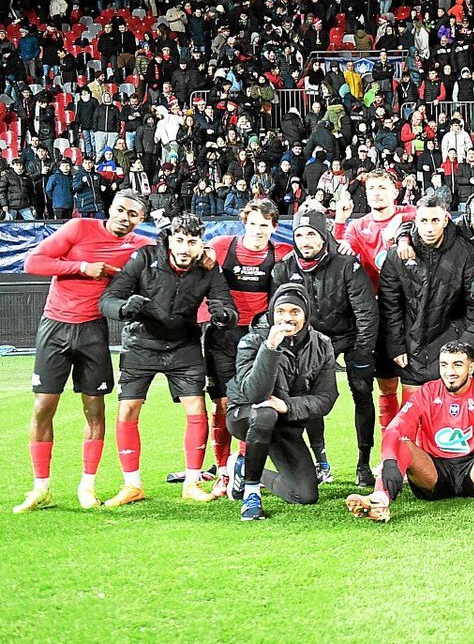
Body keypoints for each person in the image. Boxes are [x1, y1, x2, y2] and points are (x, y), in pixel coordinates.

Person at [14, 190, 152, 513]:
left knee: (95, 409)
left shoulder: (140, 249)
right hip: (55, 326)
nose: (124, 217)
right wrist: (82, 267)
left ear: (140, 220)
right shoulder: (79, 228)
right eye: (120, 210)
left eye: (132, 215)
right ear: (111, 208)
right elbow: (32, 262)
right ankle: (41, 488)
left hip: (93, 330)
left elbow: (173, 255)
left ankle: (86, 486)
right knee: (43, 407)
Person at [99, 213, 238, 506]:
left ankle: (191, 482)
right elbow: (108, 300)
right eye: (179, 240)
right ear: (169, 239)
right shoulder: (144, 257)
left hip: (184, 346)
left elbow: (226, 304)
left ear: (202, 243)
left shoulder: (209, 269)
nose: (185, 248)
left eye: (192, 241)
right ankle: (132, 485)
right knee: (127, 411)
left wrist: (223, 314)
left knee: (196, 410)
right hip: (140, 344)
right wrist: (125, 308)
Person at [187, 198, 291, 495]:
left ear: (274, 227)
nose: (258, 231)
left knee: (253, 402)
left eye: (265, 225)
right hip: (223, 335)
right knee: (221, 403)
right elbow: (190, 253)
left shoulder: (281, 253)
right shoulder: (220, 246)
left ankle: (242, 464)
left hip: (259, 337)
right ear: (244, 223)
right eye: (254, 224)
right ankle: (222, 469)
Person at [345, 342, 474, 523]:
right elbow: (396, 427)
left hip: (473, 471)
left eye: (457, 365)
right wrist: (389, 460)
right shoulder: (427, 392)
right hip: (433, 472)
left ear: (471, 367)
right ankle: (379, 501)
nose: (450, 372)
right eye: (444, 365)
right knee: (402, 445)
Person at [272, 209, 379, 486]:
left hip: (351, 337)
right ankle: (321, 461)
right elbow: (278, 312)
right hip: (310, 339)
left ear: (324, 236)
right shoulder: (284, 268)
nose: (305, 240)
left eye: (311, 234)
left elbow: (367, 313)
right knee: (309, 396)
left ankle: (363, 462)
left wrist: (363, 353)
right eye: (299, 234)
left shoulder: (346, 264)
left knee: (362, 392)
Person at [226, 283, 339, 520]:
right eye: (281, 311)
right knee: (265, 412)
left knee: (305, 495)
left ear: (306, 315)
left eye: (295, 312)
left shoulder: (322, 344)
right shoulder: (253, 340)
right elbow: (254, 394)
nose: (287, 318)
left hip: (286, 421)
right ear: (272, 313)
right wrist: (270, 347)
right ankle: (251, 493)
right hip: (246, 416)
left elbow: (326, 399)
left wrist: (287, 406)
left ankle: (243, 467)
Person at [332, 169, 410, 470]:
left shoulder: (411, 216)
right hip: (375, 317)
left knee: (415, 389)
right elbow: (337, 253)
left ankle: (413, 453)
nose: (376, 192)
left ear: (395, 191)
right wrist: (340, 220)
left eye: (382, 187)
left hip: (410, 314)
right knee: (387, 389)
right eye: (372, 188)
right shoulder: (357, 227)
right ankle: (388, 457)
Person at [378, 194, 474, 394]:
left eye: (435, 220)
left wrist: (464, 350)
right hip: (410, 350)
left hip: (451, 352)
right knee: (412, 419)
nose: (429, 228)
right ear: (415, 221)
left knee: (450, 421)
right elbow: (389, 306)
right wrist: (396, 345)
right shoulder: (396, 255)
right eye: (424, 220)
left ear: (446, 220)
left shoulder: (466, 253)